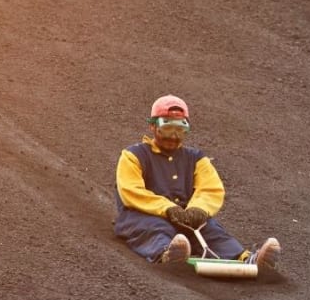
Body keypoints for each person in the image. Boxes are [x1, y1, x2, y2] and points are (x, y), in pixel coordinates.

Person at [114, 94, 281, 271]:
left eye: (180, 130)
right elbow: (131, 190)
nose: (173, 136)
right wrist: (168, 209)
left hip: (184, 217)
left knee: (210, 229)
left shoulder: (196, 158)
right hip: (142, 216)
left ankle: (248, 260)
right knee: (157, 228)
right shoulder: (133, 155)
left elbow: (210, 188)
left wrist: (197, 210)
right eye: (167, 129)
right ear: (153, 127)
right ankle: (168, 254)